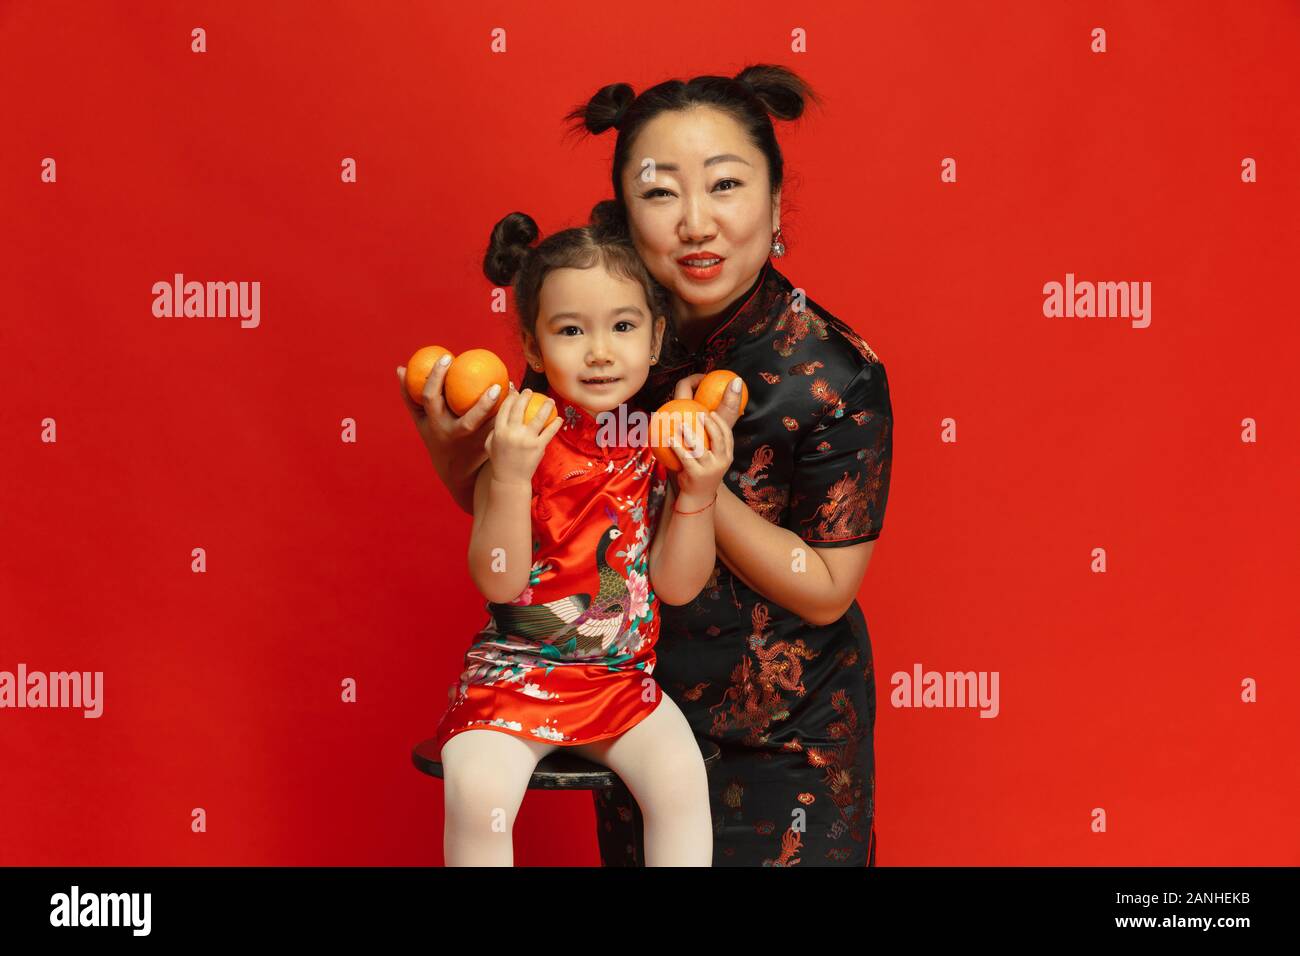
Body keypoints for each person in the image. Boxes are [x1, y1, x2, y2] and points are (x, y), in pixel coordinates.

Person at [402, 63, 894, 866]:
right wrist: (451, 445)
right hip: (624, 706)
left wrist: (693, 479)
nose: (696, 222)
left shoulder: (836, 372)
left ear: (774, 203)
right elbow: (532, 515)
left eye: (726, 186)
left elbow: (830, 586)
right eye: (661, 192)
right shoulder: (598, 333)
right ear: (627, 212)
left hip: (786, 733)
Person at [407, 210, 735, 866]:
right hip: (519, 676)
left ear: (654, 337)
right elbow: (500, 580)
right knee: (477, 785)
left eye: (622, 326)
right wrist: (508, 476)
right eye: (569, 330)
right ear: (532, 347)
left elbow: (674, 584)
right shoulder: (522, 437)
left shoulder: (659, 444)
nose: (599, 351)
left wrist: (699, 493)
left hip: (620, 680)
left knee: (679, 780)